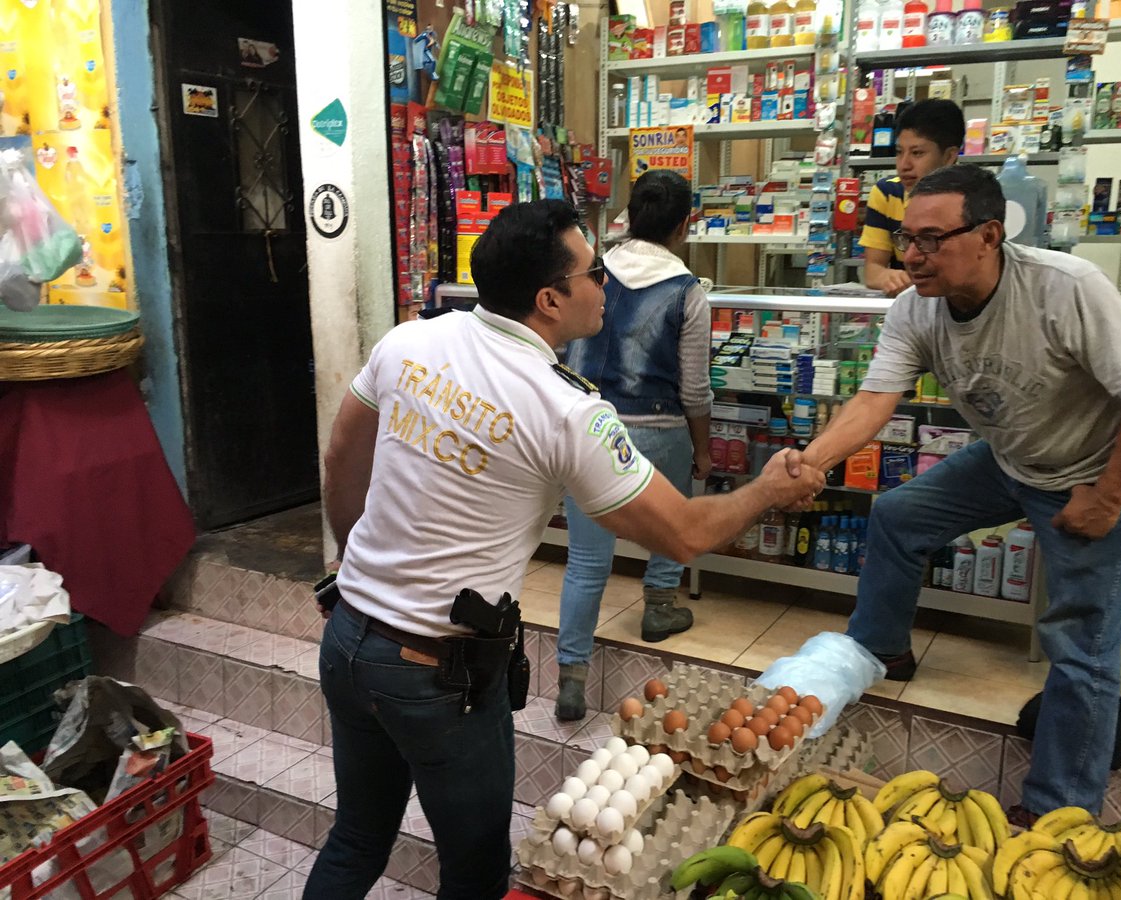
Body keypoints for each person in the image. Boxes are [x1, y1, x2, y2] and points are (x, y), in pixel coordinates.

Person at [303, 199, 826, 900]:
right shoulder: (569, 411)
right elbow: (685, 534)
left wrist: (355, 569)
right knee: (476, 869)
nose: (607, 287)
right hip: (439, 675)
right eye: (597, 273)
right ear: (551, 299)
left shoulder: (410, 342)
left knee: (358, 835)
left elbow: (342, 459)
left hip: (347, 640)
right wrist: (766, 489)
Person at [798, 165, 1121, 822]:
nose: (911, 257)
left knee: (1080, 644)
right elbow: (874, 400)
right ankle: (880, 648)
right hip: (1014, 458)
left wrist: (1111, 496)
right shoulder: (916, 306)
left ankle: (1059, 812)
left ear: (989, 235)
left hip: (1101, 469)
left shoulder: (1065, 288)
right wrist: (810, 463)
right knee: (897, 514)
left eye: (930, 240)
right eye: (904, 240)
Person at [554, 171, 712, 722]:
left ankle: (571, 677)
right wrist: (704, 449)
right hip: (659, 430)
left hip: (588, 427)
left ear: (628, 213)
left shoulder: (591, 272)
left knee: (585, 564)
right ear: (683, 225)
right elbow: (694, 390)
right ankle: (660, 607)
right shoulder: (688, 292)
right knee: (676, 515)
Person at [860, 99, 965, 297]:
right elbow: (872, 271)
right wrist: (888, 277)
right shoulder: (887, 193)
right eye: (899, 152)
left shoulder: (973, 199)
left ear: (950, 156)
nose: (904, 164)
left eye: (917, 153)